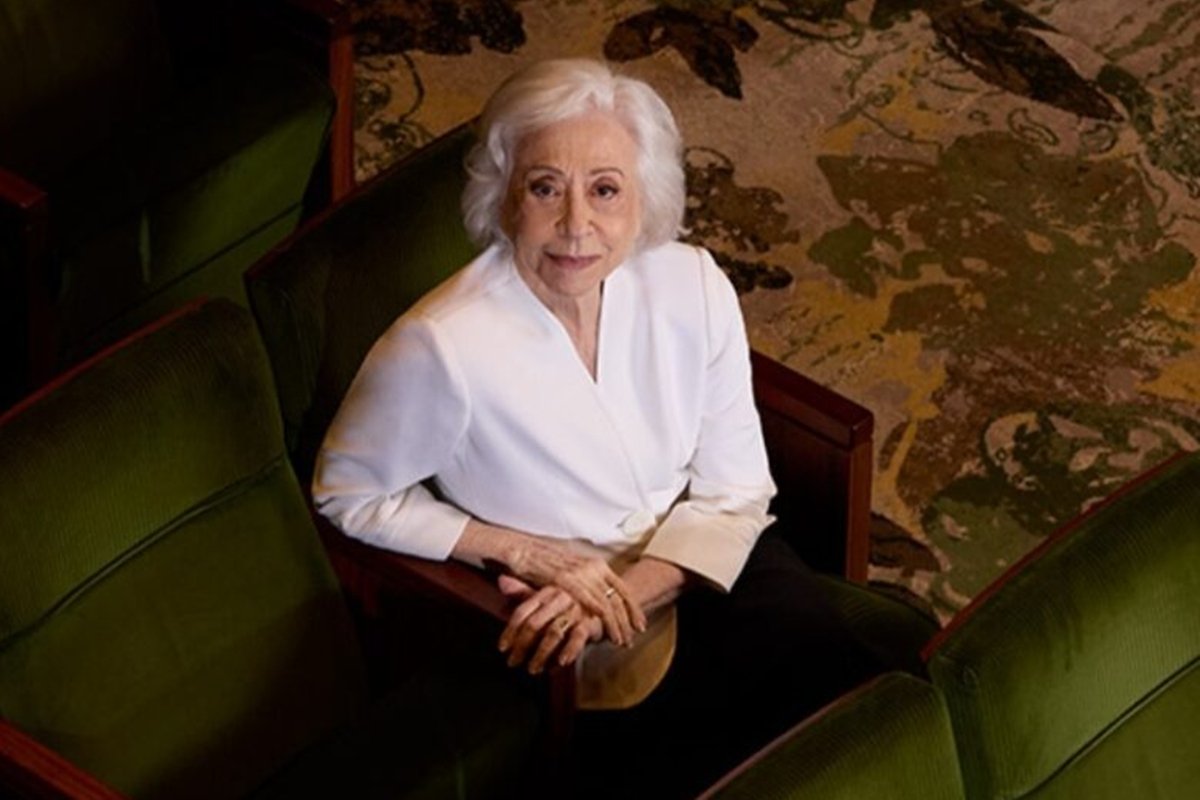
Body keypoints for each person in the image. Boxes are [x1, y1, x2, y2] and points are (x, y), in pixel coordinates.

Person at [313, 58, 927, 797]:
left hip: (708, 562)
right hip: (579, 641)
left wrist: (627, 594)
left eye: (605, 190)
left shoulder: (692, 283)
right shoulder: (439, 346)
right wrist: (518, 551)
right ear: (503, 197)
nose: (577, 225)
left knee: (867, 723)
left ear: (645, 200)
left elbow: (736, 490)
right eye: (546, 188)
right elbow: (347, 493)